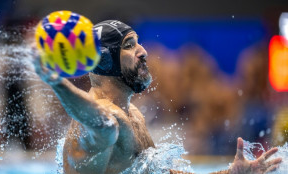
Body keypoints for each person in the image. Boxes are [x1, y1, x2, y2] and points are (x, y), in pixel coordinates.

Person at [33, 20, 282, 174]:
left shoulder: (134, 116)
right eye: (129, 45)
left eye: (138, 42)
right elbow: (94, 116)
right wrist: (57, 83)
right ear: (107, 60)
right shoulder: (107, 120)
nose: (143, 51)